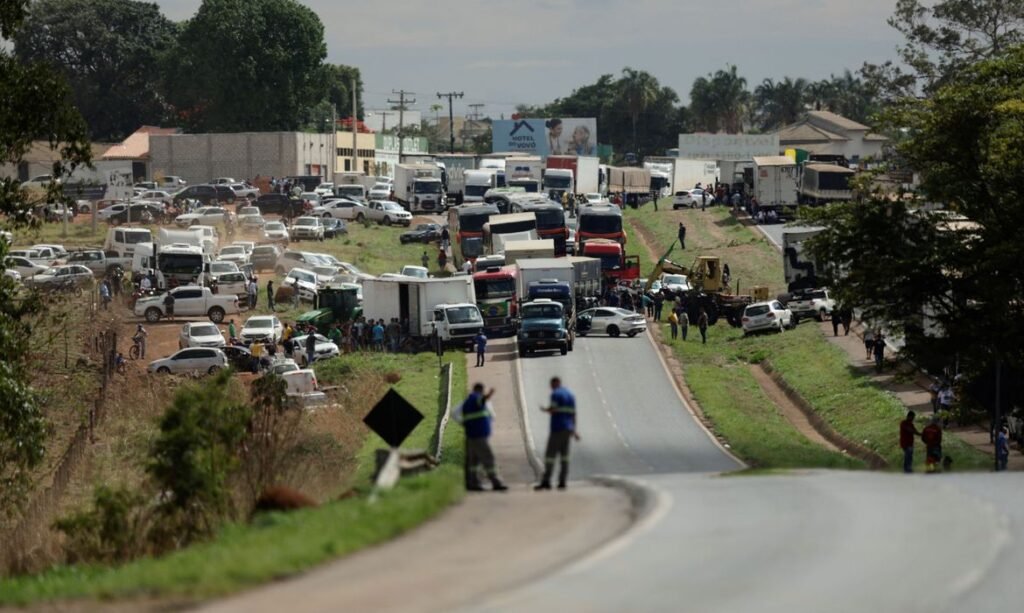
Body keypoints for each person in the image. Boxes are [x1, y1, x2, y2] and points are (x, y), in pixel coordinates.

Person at [454, 383, 507, 492]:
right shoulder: (476, 399)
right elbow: (482, 400)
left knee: (474, 461)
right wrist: (490, 394)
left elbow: (454, 413)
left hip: (471, 435)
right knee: (488, 457)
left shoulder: (468, 402)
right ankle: (496, 482)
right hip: (478, 436)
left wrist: (463, 423)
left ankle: (472, 483)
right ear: (480, 390)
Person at [536, 377, 579, 491]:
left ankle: (546, 481)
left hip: (557, 429)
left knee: (550, 456)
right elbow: (573, 414)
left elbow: (553, 409)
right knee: (564, 457)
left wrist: (545, 410)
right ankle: (562, 482)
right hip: (567, 429)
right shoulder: (570, 395)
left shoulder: (555, 394)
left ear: (555, 384)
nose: (551, 388)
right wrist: (574, 430)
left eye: (551, 385)